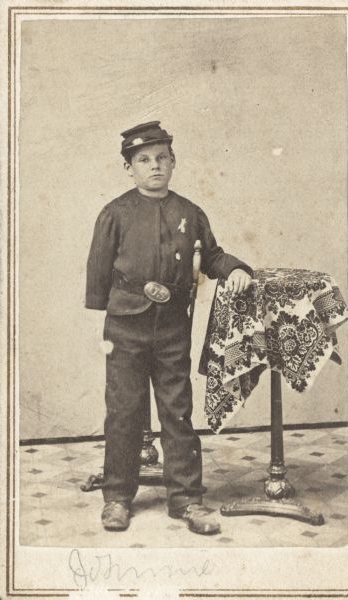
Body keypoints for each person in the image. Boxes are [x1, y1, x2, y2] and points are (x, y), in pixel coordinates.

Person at [86, 121, 253, 535]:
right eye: (143, 160)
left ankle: (186, 500)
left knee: (177, 412)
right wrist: (104, 322)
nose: (154, 166)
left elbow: (211, 256)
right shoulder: (114, 213)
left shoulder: (190, 213)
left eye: (162, 158)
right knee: (124, 411)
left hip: (173, 327)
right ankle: (118, 498)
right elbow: (97, 273)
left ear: (174, 162)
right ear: (129, 168)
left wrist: (234, 269)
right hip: (125, 326)